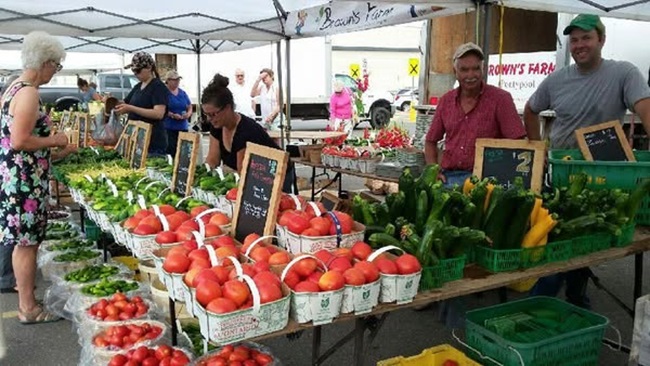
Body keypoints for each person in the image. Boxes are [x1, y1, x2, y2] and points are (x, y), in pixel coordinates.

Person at [524, 14, 650, 308]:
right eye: (574, 39)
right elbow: (531, 110)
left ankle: (571, 297)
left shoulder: (624, 73)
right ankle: (545, 301)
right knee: (560, 237)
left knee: (584, 237)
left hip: (606, 174)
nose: (579, 45)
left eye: (586, 38)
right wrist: (538, 149)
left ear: (601, 40)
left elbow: (645, 108)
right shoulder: (556, 80)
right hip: (564, 173)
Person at [0, 31, 76, 323]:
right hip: (23, 184)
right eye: (55, 67)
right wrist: (54, 140)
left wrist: (52, 152)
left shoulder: (12, 87)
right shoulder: (28, 92)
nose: (54, 73)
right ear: (44, 62)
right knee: (27, 244)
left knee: (23, 243)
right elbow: (19, 140)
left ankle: (25, 298)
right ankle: (28, 308)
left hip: (16, 178)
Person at [424, 42, 526, 187]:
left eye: (476, 69)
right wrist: (433, 171)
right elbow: (430, 141)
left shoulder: (501, 99)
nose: (470, 75)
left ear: (482, 70)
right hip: (449, 177)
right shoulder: (446, 101)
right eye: (464, 69)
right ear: (455, 72)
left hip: (487, 180)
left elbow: (518, 142)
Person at [204, 74, 294, 193]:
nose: (210, 119)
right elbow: (212, 160)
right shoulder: (217, 126)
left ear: (227, 108)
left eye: (213, 114)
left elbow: (244, 175)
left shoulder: (246, 131)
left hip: (278, 174)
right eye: (207, 114)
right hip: (255, 179)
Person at [114, 52, 170, 157]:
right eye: (133, 71)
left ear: (149, 68)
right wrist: (111, 100)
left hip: (152, 141)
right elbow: (124, 103)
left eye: (138, 71)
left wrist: (131, 108)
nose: (135, 74)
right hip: (136, 139)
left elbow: (158, 113)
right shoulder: (138, 86)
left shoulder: (158, 86)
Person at [162, 70, 192, 156]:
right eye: (174, 80)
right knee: (171, 150)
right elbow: (161, 108)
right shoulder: (164, 93)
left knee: (183, 152)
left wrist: (188, 114)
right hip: (169, 127)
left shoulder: (182, 93)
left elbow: (189, 106)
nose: (177, 82)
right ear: (168, 80)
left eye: (178, 80)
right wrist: (172, 115)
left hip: (183, 126)